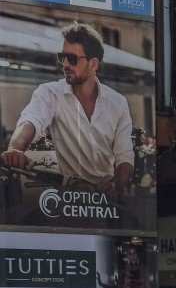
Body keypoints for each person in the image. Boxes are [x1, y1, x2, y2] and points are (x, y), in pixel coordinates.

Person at [1, 22, 133, 203]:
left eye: (72, 58)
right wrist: (16, 148)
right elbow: (31, 121)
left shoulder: (118, 103)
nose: (65, 64)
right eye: (62, 57)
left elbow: (125, 155)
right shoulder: (50, 93)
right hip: (69, 200)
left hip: (108, 203)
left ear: (93, 63)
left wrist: (116, 185)